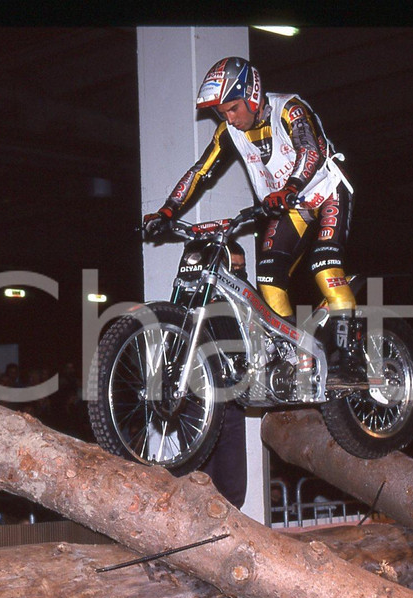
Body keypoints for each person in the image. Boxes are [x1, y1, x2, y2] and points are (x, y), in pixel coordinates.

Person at [142, 56, 365, 385]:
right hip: (290, 205)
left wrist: (290, 187)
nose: (229, 118)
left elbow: (310, 151)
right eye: (222, 113)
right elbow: (199, 172)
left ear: (252, 95)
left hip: (327, 191)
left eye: (232, 108)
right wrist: (167, 211)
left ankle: (351, 358)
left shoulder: (289, 109)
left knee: (325, 264)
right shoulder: (229, 132)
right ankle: (292, 354)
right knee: (269, 275)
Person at [197, 241, 249, 508]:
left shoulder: (246, 305)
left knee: (233, 489)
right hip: (202, 405)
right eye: (232, 268)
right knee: (202, 486)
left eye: (241, 269)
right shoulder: (198, 302)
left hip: (233, 403)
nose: (237, 275)